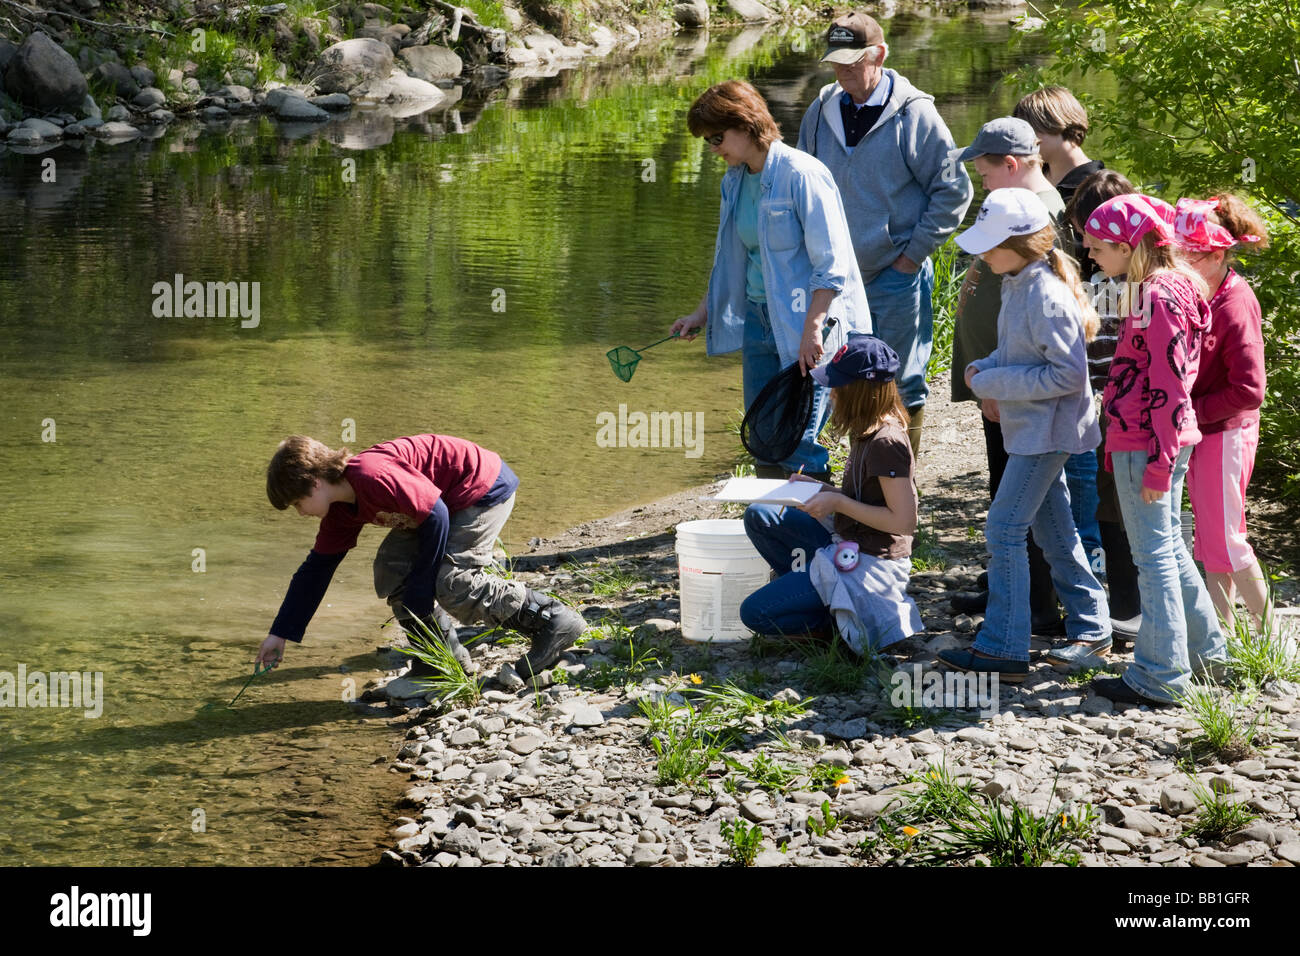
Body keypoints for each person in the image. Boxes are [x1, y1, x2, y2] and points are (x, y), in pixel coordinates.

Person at [937, 189, 1110, 682]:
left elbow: (1068, 376)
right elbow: (1020, 353)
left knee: (1004, 529)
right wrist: (985, 365)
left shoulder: (1046, 294)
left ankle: (1003, 648)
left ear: (1024, 243)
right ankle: (1093, 627)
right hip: (1031, 431)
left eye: (991, 244)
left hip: (1047, 433)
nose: (983, 253)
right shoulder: (1018, 281)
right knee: (1053, 530)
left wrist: (991, 381)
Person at [256, 434, 587, 684]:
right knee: (392, 570)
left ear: (314, 484)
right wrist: (280, 633)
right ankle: (439, 658)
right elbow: (316, 570)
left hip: (482, 489)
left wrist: (423, 585)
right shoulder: (339, 513)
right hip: (440, 506)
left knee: (451, 583)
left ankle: (551, 620)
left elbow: (437, 516)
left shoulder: (371, 476)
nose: (300, 513)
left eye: (298, 504)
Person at [673, 80, 871, 483]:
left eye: (716, 137)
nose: (713, 149)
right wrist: (702, 312)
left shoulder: (803, 173)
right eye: (707, 141)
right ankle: (771, 526)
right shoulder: (735, 180)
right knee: (762, 433)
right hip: (758, 321)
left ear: (746, 126)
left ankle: (811, 529)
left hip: (806, 324)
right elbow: (732, 258)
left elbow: (831, 264)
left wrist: (813, 329)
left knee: (799, 438)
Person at [796, 12, 973, 456]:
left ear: (879, 55)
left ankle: (900, 489)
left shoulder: (916, 114)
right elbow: (801, 185)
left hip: (896, 274)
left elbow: (953, 189)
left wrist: (911, 256)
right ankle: (861, 481)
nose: (841, 71)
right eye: (835, 61)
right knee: (849, 378)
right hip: (836, 280)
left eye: (852, 61)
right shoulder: (820, 110)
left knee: (901, 381)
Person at [1081, 195, 1227, 705]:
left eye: (1099, 249)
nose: (1092, 259)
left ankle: (1160, 673)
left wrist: (1159, 465)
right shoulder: (1171, 285)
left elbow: (1169, 386)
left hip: (1147, 441)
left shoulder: (1158, 295)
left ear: (1127, 245)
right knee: (1167, 546)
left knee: (1153, 557)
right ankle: (1211, 655)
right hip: (1160, 438)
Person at [947, 117, 1083, 635]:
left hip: (1026, 404)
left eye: (983, 174)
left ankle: (1021, 621)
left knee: (1011, 517)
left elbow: (1060, 359)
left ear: (1010, 165)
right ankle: (1026, 604)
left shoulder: (1036, 223)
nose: (981, 182)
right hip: (1006, 389)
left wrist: (999, 383)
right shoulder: (1014, 237)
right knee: (1033, 513)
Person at [739, 334, 923, 655]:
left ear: (859, 393)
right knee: (761, 514)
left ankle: (831, 621)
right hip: (849, 541)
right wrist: (824, 490)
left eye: (838, 387)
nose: (832, 395)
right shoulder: (867, 429)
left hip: (871, 561)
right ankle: (813, 595)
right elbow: (870, 500)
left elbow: (904, 521)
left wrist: (837, 502)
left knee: (754, 613)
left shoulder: (886, 442)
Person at [1171, 195, 1271, 632]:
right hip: (1206, 432)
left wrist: (1191, 410)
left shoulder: (1234, 302)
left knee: (1228, 540)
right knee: (1210, 541)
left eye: (1187, 251)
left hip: (1226, 433)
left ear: (1216, 253)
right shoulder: (1200, 292)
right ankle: (1222, 636)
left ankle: (1271, 639)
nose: (1176, 257)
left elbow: (1250, 390)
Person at [1064, 169, 1144, 642]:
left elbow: (1100, 359)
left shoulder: (1116, 288)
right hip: (1117, 414)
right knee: (1115, 514)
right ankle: (1127, 610)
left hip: (1120, 417)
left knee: (1116, 516)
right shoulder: (1131, 280)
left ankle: (1130, 612)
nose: (1081, 241)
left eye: (1087, 232)